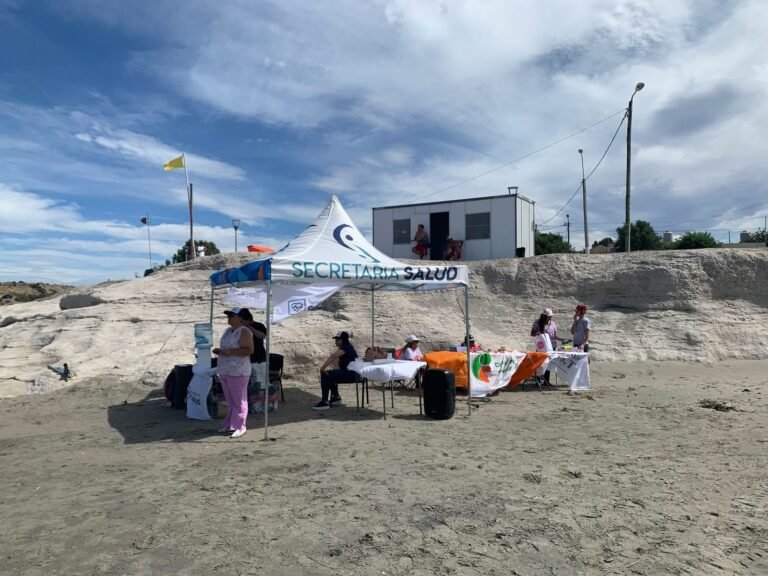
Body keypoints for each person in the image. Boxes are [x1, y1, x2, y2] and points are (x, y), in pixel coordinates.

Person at [212, 307, 255, 438]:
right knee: (230, 400)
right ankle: (230, 424)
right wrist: (220, 351)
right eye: (228, 316)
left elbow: (248, 350)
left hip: (238, 371)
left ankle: (240, 426)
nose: (229, 318)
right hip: (225, 369)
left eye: (232, 316)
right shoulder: (228, 331)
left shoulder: (244, 331)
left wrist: (230, 352)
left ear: (240, 318)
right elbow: (228, 348)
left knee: (239, 400)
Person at [313, 331, 358, 411]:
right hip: (350, 373)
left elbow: (333, 356)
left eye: (337, 339)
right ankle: (336, 398)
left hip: (351, 374)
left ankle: (325, 402)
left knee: (326, 375)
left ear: (342, 340)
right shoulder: (347, 346)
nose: (335, 341)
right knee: (330, 374)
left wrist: (322, 367)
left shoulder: (346, 347)